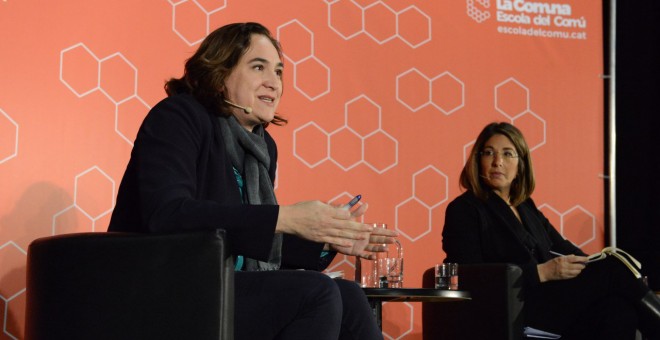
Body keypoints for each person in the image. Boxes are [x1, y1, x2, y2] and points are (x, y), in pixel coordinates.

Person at [108, 22, 397, 340]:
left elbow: (249, 238)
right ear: (219, 74)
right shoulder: (178, 117)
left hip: (221, 284)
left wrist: (329, 238)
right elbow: (167, 214)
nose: (273, 83)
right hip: (162, 288)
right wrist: (285, 217)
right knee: (314, 292)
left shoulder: (261, 147)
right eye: (258, 67)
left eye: (278, 72)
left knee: (348, 295)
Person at [442, 122, 660, 340]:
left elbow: (563, 247)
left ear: (521, 166)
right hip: (512, 307)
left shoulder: (525, 206)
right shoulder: (465, 209)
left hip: (550, 302)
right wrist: (541, 272)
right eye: (489, 153)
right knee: (614, 269)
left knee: (617, 309)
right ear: (478, 161)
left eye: (508, 154)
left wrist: (595, 266)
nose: (497, 162)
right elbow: (470, 276)